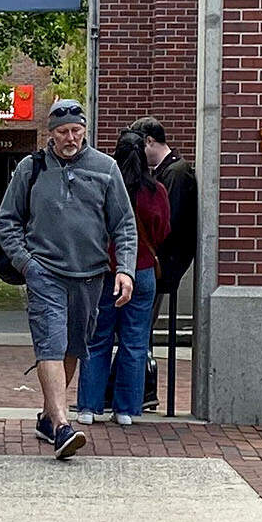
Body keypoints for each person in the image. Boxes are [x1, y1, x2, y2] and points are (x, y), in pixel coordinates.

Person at [0, 98, 134, 459]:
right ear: (50, 135)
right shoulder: (31, 169)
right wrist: (27, 263)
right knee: (51, 345)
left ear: (85, 130)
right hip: (45, 273)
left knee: (73, 347)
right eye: (62, 132)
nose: (70, 138)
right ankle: (61, 425)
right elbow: (7, 220)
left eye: (76, 131)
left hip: (90, 276)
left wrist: (125, 270)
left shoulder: (106, 169)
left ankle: (46, 416)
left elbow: (124, 225)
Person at [80, 132, 171, 425]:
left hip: (105, 270)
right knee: (135, 342)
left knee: (97, 339)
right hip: (143, 271)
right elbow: (162, 232)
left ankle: (89, 407)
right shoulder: (156, 191)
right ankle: (127, 409)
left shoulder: (104, 185)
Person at [129, 115, 200, 285]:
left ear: (149, 141)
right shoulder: (171, 170)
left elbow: (170, 220)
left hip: (167, 257)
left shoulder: (175, 173)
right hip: (166, 255)